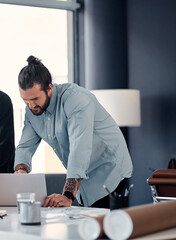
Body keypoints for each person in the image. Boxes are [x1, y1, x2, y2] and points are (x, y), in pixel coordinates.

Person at [14, 56, 133, 208]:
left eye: (35, 99)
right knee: (86, 226)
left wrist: (68, 195)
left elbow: (79, 147)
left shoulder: (76, 99)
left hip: (109, 170)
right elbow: (25, 146)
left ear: (49, 88)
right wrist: (21, 171)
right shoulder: (32, 111)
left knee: (103, 227)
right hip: (84, 175)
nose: (31, 105)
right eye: (25, 100)